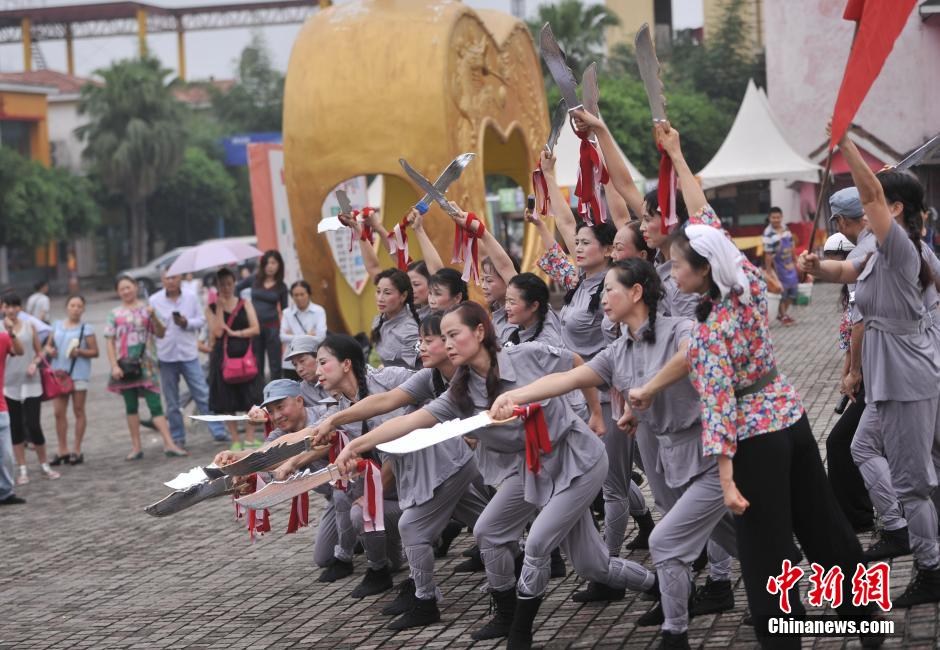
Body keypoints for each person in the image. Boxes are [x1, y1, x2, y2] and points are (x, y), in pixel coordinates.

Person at [653, 122, 879, 645]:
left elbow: (718, 413)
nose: (672, 271)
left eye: (677, 266)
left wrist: (726, 482)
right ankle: (864, 621)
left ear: (702, 268)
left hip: (754, 441)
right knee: (823, 525)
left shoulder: (708, 334)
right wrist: (678, 155)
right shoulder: (750, 285)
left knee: (765, 550)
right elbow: (703, 217)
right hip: (791, 417)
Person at [331, 303, 658, 647]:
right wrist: (356, 445)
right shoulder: (457, 394)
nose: (448, 344)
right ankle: (656, 586)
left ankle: (520, 631)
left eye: (453, 335)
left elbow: (578, 365)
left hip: (577, 461)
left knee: (536, 542)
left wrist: (595, 413)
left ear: (480, 332)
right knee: (582, 563)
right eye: (443, 338)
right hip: (530, 469)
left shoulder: (526, 355)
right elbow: (408, 420)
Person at [495, 259, 738, 647]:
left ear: (637, 292)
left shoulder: (681, 329)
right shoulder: (618, 351)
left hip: (711, 452)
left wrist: (649, 390)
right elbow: (568, 378)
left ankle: (676, 635)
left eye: (610, 289)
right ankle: (777, 578)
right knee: (735, 537)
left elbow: (693, 354)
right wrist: (513, 396)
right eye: (603, 290)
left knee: (667, 542)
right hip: (669, 457)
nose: (603, 298)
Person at [799, 128, 940, 606]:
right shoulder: (876, 249)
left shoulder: (903, 248)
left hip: (906, 373)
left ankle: (930, 568)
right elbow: (846, 272)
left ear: (894, 209)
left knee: (913, 482)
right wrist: (817, 267)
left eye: (873, 201)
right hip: (886, 372)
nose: (865, 206)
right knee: (861, 446)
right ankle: (909, 538)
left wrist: (846, 145)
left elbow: (872, 192)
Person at [299, 313, 488, 629]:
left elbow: (572, 367)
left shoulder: (394, 377)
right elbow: (387, 408)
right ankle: (517, 569)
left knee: (415, 527)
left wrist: (592, 411)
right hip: (434, 467)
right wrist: (281, 457)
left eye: (430, 340)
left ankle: (427, 598)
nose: (421, 347)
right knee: (486, 524)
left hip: (450, 464)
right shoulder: (429, 379)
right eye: (421, 340)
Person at [277, 334, 405, 597]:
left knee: (481, 521)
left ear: (346, 364)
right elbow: (311, 436)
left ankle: (388, 569)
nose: (316, 370)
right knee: (348, 497)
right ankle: (383, 564)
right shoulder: (340, 405)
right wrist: (284, 461)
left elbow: (397, 453)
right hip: (391, 487)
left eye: (322, 362)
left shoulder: (387, 380)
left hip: (424, 478)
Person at [819, 189, 876, 533]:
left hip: (887, 369)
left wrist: (854, 372)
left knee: (843, 443)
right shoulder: (875, 250)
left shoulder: (863, 259)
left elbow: (860, 324)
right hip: (879, 369)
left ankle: (860, 515)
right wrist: (848, 370)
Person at [105, 276, 188, 460]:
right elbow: (109, 341)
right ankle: (136, 447)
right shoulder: (114, 314)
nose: (126, 291)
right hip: (125, 365)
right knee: (131, 406)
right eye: (122, 289)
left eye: (129, 287)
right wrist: (113, 365)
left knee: (155, 404)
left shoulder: (147, 309)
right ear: (118, 292)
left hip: (147, 364)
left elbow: (160, 332)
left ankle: (169, 443)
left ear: (135, 287)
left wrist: (153, 316)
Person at [149, 271, 229, 447]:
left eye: (174, 277)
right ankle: (177, 436)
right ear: (162, 280)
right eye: (167, 278)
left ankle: (218, 431)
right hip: (166, 355)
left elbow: (201, 320)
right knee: (171, 400)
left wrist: (186, 323)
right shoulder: (154, 300)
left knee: (203, 394)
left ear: (180, 279)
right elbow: (152, 327)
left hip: (188, 353)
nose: (170, 281)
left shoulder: (191, 297)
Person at [2, 294, 58, 484]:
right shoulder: (0, 329)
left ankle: (44, 465)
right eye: (7, 306)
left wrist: (35, 363)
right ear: (2, 308)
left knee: (34, 425)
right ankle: (22, 469)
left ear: (20, 307)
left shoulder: (29, 326)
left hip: (31, 381)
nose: (11, 310)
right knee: (16, 427)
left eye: (15, 306)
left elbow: (39, 351)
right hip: (9, 384)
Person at [207, 268, 262, 451]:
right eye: (222, 284)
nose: (226, 288)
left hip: (245, 356)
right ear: (217, 286)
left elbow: (256, 328)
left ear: (234, 283)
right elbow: (216, 333)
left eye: (229, 284)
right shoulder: (211, 308)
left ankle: (249, 437)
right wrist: (220, 308)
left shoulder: (244, 303)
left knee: (250, 398)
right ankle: (235, 439)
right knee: (226, 400)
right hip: (223, 359)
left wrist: (237, 333)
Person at [44, 295, 98, 466]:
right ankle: (62, 449)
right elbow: (48, 345)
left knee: (78, 410)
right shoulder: (56, 325)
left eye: (79, 306)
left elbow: (95, 352)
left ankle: (77, 449)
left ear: (83, 309)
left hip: (79, 374)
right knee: (58, 413)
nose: (75, 308)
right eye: (72, 305)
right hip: (59, 374)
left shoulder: (86, 328)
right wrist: (50, 351)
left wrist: (80, 352)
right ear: (67, 307)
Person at [239, 250, 288, 382]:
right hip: (255, 329)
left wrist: (286, 328)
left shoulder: (281, 286)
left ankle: (277, 395)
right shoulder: (254, 279)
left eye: (273, 263)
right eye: (267, 263)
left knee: (275, 365)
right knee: (256, 364)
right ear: (263, 264)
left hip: (273, 329)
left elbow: (285, 310)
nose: (270, 266)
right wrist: (242, 309)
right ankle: (258, 397)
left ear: (279, 265)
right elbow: (236, 288)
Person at [370, 268, 421, 369]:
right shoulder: (378, 321)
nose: (380, 298)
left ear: (403, 296)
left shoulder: (409, 329)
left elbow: (419, 371)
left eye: (387, 293)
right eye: (378, 291)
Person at [0, 312, 25, 505]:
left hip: (1, 406)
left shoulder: (3, 338)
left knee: (6, 455)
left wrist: (11, 332)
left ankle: (6, 492)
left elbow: (20, 351)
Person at [280, 280, 327, 380]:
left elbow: (321, 336)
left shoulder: (318, 311)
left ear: (308, 294)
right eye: (295, 295)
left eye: (302, 294)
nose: (299, 298)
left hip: (312, 361)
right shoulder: (287, 313)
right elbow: (282, 336)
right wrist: (308, 335)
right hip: (290, 363)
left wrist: (293, 336)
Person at [762, 207, 800, 326]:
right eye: (773, 217)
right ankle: (783, 315)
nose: (776, 219)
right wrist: (769, 271)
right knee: (781, 292)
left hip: (789, 264)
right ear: (769, 218)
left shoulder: (786, 229)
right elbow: (768, 255)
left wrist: (795, 260)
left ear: (781, 217)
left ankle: (782, 314)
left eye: (778, 217)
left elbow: (792, 246)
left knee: (793, 291)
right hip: (777, 267)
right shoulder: (768, 233)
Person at [503, 273, 561, 347]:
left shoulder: (543, 345)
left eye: (512, 302)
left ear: (534, 306)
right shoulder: (541, 312)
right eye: (506, 300)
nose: (506, 307)